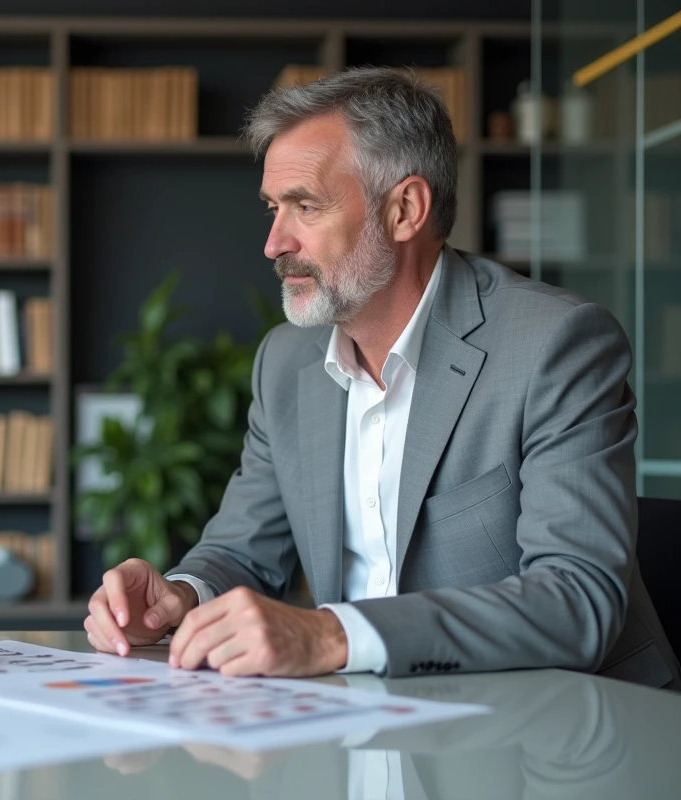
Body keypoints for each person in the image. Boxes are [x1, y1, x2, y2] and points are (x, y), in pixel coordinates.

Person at [84, 67, 680, 689]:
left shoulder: (556, 345)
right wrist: (179, 595)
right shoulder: (284, 362)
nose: (273, 243)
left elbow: (579, 600)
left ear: (405, 210)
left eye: (305, 207)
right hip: (380, 714)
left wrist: (333, 635)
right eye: (273, 208)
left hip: (573, 719)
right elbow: (241, 552)